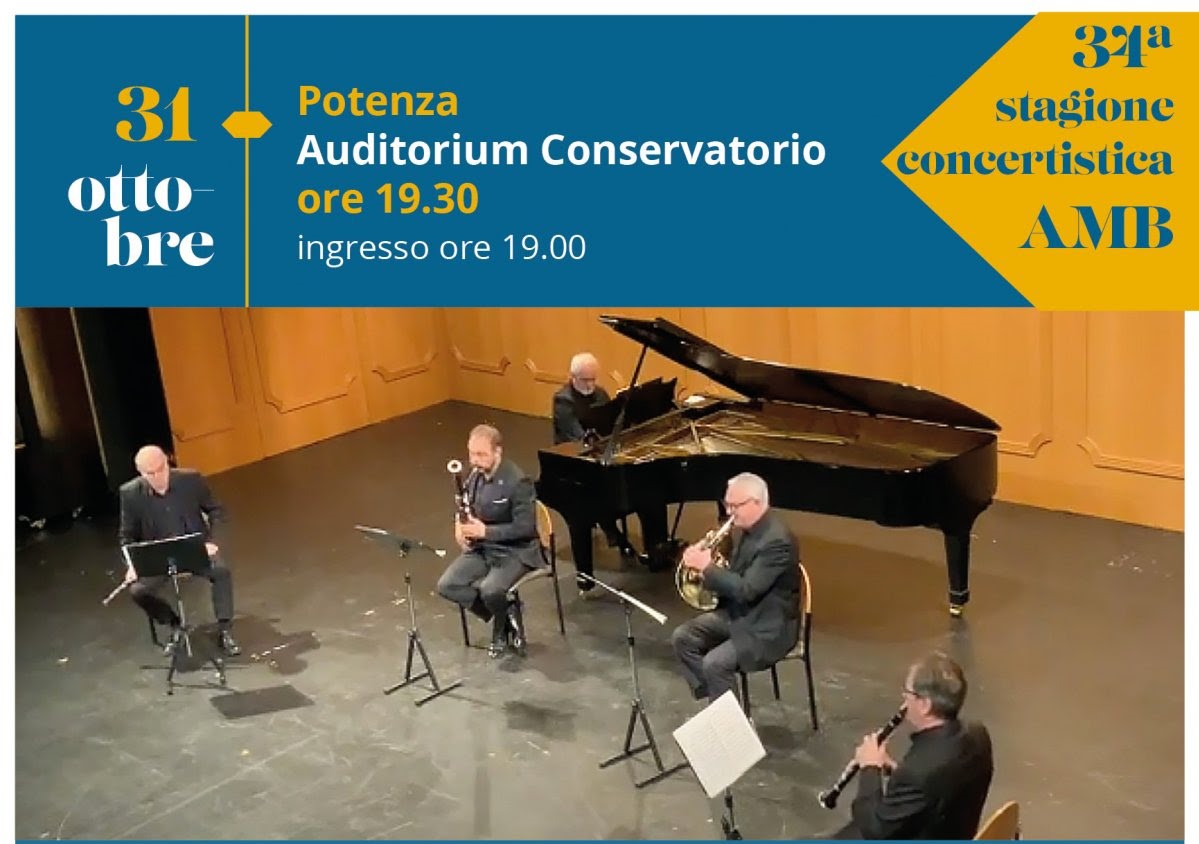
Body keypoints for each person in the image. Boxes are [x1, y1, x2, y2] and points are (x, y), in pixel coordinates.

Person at [831, 652, 994, 840]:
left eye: (908, 694)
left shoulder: (916, 773)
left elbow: (875, 830)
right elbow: (938, 788)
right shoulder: (978, 734)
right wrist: (896, 771)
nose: (904, 701)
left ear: (925, 705)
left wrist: (870, 767)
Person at [670, 472, 799, 703]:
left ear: (756, 503)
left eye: (734, 506)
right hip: (740, 615)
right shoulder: (747, 530)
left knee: (715, 663)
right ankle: (717, 706)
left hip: (767, 627)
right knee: (683, 638)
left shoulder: (777, 541)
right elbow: (737, 576)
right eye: (727, 504)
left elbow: (747, 590)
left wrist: (707, 567)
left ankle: (729, 722)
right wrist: (708, 560)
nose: (729, 512)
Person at [551, 351, 670, 596]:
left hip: (603, 453)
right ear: (573, 377)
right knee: (592, 503)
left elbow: (611, 421)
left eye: (593, 379)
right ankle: (588, 570)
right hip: (575, 463)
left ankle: (656, 548)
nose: (591, 385)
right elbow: (576, 435)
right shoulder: (563, 401)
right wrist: (596, 440)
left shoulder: (600, 393)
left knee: (649, 490)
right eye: (585, 380)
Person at [117, 445, 240, 656]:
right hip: (159, 556)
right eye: (150, 473)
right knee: (138, 591)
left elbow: (217, 511)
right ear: (141, 473)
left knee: (221, 572)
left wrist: (212, 542)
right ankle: (174, 624)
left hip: (195, 550)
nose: (157, 477)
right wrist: (132, 564)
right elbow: (126, 536)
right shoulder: (130, 493)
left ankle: (225, 629)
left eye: (160, 469)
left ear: (168, 463)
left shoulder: (191, 480)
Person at [437, 424, 542, 658]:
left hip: (516, 551)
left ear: (498, 452)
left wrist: (485, 532)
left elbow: (525, 528)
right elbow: (466, 506)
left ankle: (499, 629)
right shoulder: (474, 476)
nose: (474, 461)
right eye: (471, 453)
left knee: (490, 589)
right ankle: (505, 613)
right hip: (483, 548)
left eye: (481, 454)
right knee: (448, 585)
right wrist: (460, 527)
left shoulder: (518, 481)